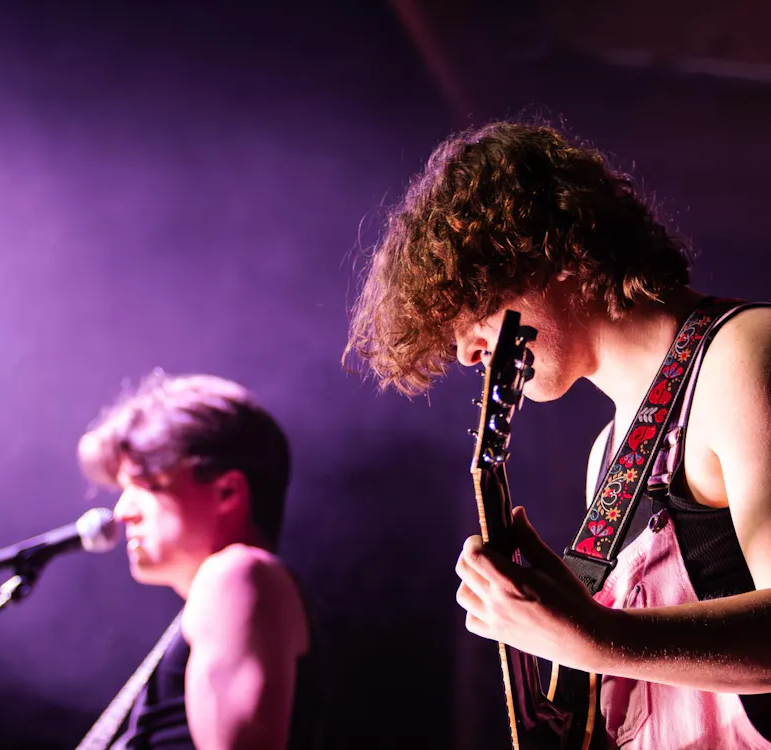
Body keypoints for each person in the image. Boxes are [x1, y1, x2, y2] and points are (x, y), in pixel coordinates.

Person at [344, 120, 771, 748]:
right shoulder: (609, 454)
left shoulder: (742, 353)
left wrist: (591, 638)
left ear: (552, 250)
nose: (466, 352)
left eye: (471, 304)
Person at [75, 371, 320, 750]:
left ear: (227, 491)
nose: (122, 512)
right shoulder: (224, 598)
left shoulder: (236, 573)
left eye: (144, 486)